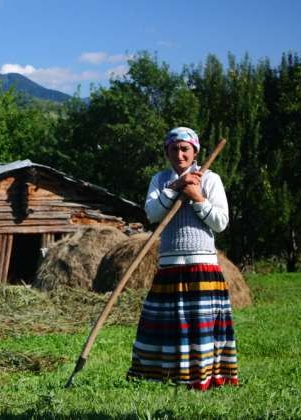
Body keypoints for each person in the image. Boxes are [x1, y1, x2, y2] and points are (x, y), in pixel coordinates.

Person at [126, 127, 239, 390]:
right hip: (169, 266)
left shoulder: (210, 179)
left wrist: (197, 197)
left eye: (185, 148)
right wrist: (176, 187)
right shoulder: (160, 179)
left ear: (195, 151)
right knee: (168, 326)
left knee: (200, 328)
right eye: (174, 148)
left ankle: (204, 376)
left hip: (202, 266)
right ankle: (162, 374)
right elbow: (152, 214)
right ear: (166, 151)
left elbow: (221, 223)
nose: (180, 153)